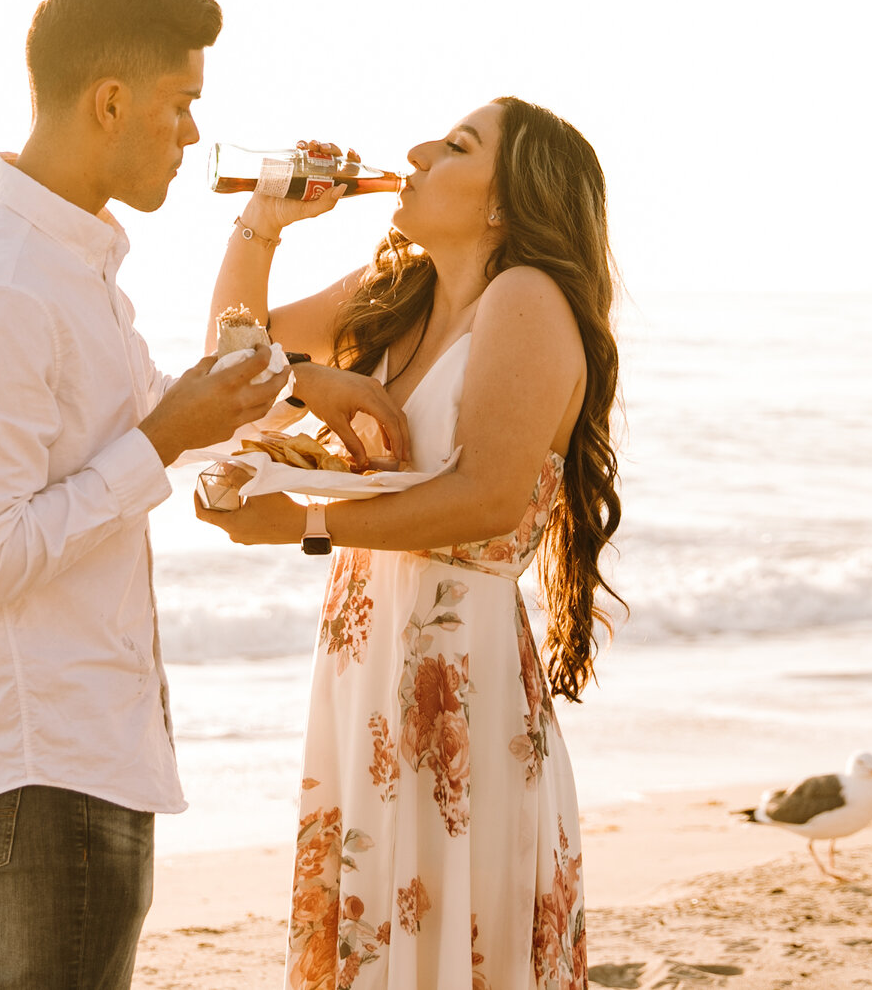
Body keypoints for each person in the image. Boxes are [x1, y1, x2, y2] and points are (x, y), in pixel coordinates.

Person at [0, 0, 411, 990]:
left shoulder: (64, 263)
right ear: (111, 98)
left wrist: (302, 384)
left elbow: (165, 411)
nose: (188, 134)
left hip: (79, 748)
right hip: (47, 759)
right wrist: (163, 441)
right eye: (180, 106)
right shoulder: (2, 286)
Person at [196, 98, 624, 990]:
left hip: (454, 671)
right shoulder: (398, 293)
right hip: (369, 656)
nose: (419, 150)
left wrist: (309, 523)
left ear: (506, 201)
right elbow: (229, 363)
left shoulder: (527, 298)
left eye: (458, 145)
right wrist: (264, 222)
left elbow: (487, 496)